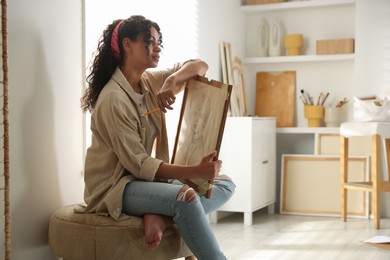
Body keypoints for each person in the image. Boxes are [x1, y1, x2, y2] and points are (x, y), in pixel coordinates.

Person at [80, 15, 235, 260]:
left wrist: (173, 81)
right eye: (150, 42)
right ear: (128, 45)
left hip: (145, 182)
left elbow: (200, 65)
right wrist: (195, 170)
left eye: (159, 42)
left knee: (226, 183)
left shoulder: (150, 82)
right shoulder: (113, 99)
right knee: (187, 196)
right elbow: (140, 165)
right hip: (117, 187)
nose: (157, 47)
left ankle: (161, 217)